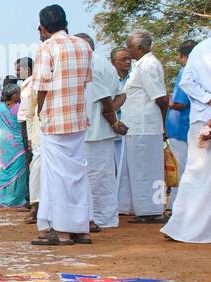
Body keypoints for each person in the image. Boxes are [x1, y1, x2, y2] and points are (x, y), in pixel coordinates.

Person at [31, 4, 93, 246]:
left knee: (57, 176)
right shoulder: (84, 46)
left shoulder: (46, 48)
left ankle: (63, 231)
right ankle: (81, 229)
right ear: (66, 23)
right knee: (77, 173)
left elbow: (42, 87)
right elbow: (86, 81)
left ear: (44, 27)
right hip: (77, 118)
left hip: (55, 120)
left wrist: (39, 113)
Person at [115, 28, 169, 224]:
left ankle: (151, 211)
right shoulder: (141, 65)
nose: (128, 52)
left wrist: (163, 124)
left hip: (146, 126)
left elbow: (161, 98)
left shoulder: (148, 65)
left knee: (147, 170)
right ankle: (139, 208)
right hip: (136, 127)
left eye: (129, 47)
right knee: (137, 169)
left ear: (139, 47)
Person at [162, 38, 211, 244]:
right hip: (203, 117)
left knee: (196, 174)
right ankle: (184, 225)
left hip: (201, 116)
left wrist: (207, 98)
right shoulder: (202, 48)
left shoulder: (201, 47)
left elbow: (186, 82)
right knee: (197, 174)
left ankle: (182, 225)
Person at [81, 34, 125, 231]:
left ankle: (96, 218)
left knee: (92, 178)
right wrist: (112, 118)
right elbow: (121, 94)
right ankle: (106, 217)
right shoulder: (106, 65)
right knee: (104, 176)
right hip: (102, 130)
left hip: (93, 131)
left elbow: (105, 97)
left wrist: (112, 118)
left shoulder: (89, 64)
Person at [165, 39, 196, 208]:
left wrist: (165, 100)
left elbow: (179, 103)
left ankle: (175, 206)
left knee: (179, 169)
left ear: (182, 55)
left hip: (180, 127)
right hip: (186, 126)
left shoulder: (185, 71)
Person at [0, 81, 29, 207]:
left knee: (5, 171)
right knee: (19, 174)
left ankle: (3, 199)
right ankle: (16, 200)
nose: (20, 95)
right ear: (13, 95)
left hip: (3, 146)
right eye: (18, 93)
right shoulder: (19, 107)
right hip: (18, 145)